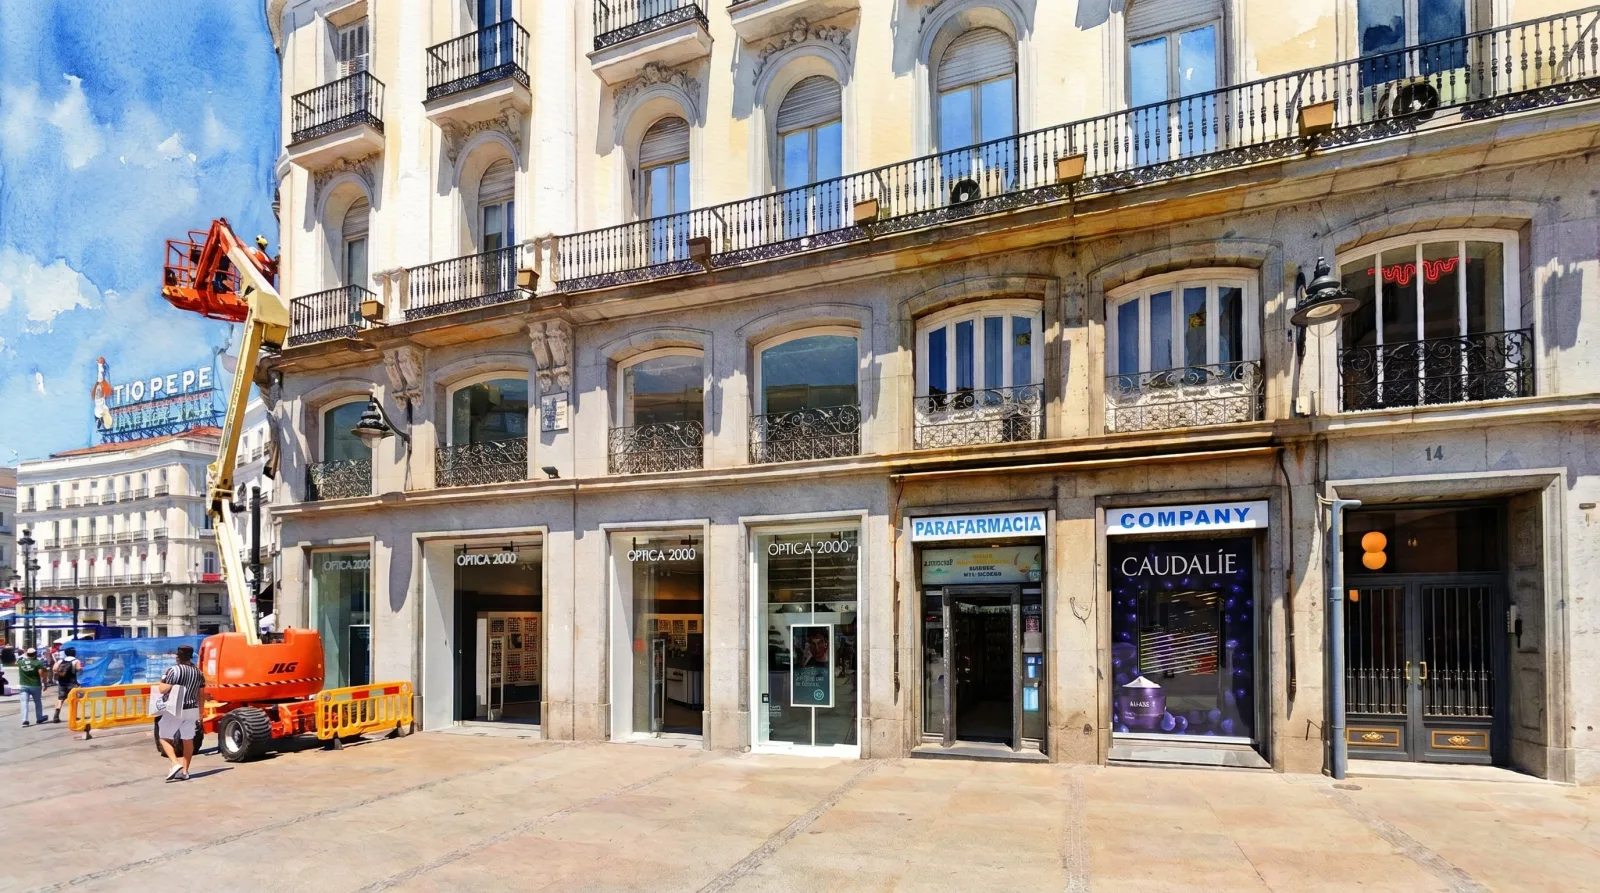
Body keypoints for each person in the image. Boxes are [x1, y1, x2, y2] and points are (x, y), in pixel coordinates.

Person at [156, 645, 206, 781]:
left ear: (178, 656)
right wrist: (201, 713)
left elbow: (162, 689)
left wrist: (166, 683)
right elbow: (201, 695)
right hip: (192, 709)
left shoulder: (173, 670)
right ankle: (185, 771)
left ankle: (175, 764)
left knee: (164, 737)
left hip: (175, 709)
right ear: (190, 657)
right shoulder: (199, 673)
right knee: (188, 739)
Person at [15, 647, 47, 727]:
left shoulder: (21, 662)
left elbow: (15, 662)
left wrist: (24, 656)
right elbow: (42, 675)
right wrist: (45, 684)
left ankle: (25, 720)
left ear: (27, 654)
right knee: (37, 702)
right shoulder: (38, 663)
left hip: (23, 685)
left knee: (24, 703)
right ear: (35, 654)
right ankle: (39, 718)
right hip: (35, 685)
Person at [51, 646, 83, 725]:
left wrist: (60, 673)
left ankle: (56, 715)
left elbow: (54, 669)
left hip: (62, 682)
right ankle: (73, 716)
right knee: (74, 699)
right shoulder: (76, 661)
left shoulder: (60, 661)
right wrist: (81, 670)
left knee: (60, 698)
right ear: (74, 653)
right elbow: (79, 670)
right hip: (72, 682)